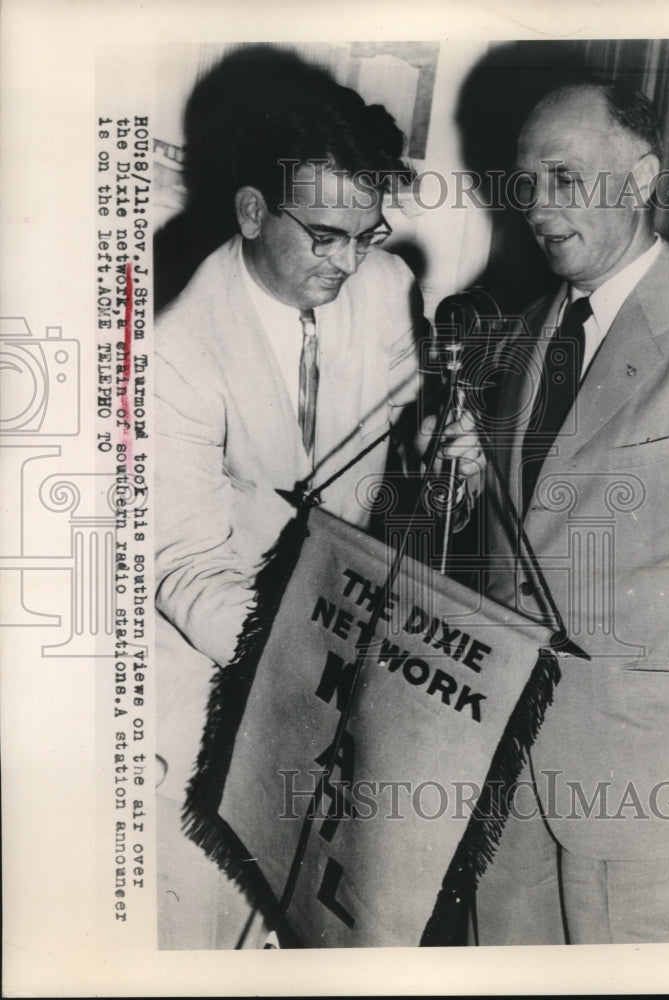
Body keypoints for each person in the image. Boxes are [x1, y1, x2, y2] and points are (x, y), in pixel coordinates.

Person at [153, 77, 481, 949]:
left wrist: (450, 463)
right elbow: (185, 571)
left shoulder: (378, 285)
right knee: (215, 922)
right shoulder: (176, 350)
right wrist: (310, 673)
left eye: (366, 235)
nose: (348, 261)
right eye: (326, 237)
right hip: (218, 667)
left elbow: (405, 455)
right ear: (254, 211)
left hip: (338, 658)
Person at [475, 81, 669, 944]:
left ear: (641, 176)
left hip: (652, 798)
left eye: (564, 178)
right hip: (504, 774)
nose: (537, 206)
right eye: (525, 182)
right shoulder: (526, 332)